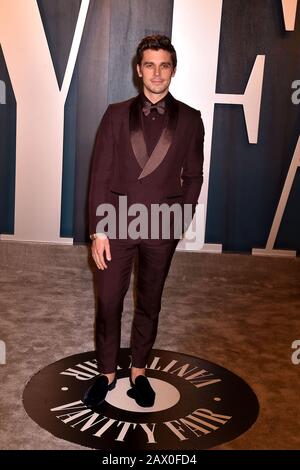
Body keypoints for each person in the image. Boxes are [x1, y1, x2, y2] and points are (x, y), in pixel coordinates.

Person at [84, 35, 204, 408]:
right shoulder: (116, 114)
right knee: (107, 301)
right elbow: (100, 174)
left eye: (164, 65)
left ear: (173, 71)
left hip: (161, 225)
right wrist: (98, 229)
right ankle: (106, 371)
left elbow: (194, 176)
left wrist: (180, 219)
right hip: (116, 221)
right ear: (139, 70)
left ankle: (138, 370)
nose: (156, 73)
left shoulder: (190, 119)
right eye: (149, 65)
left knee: (150, 301)